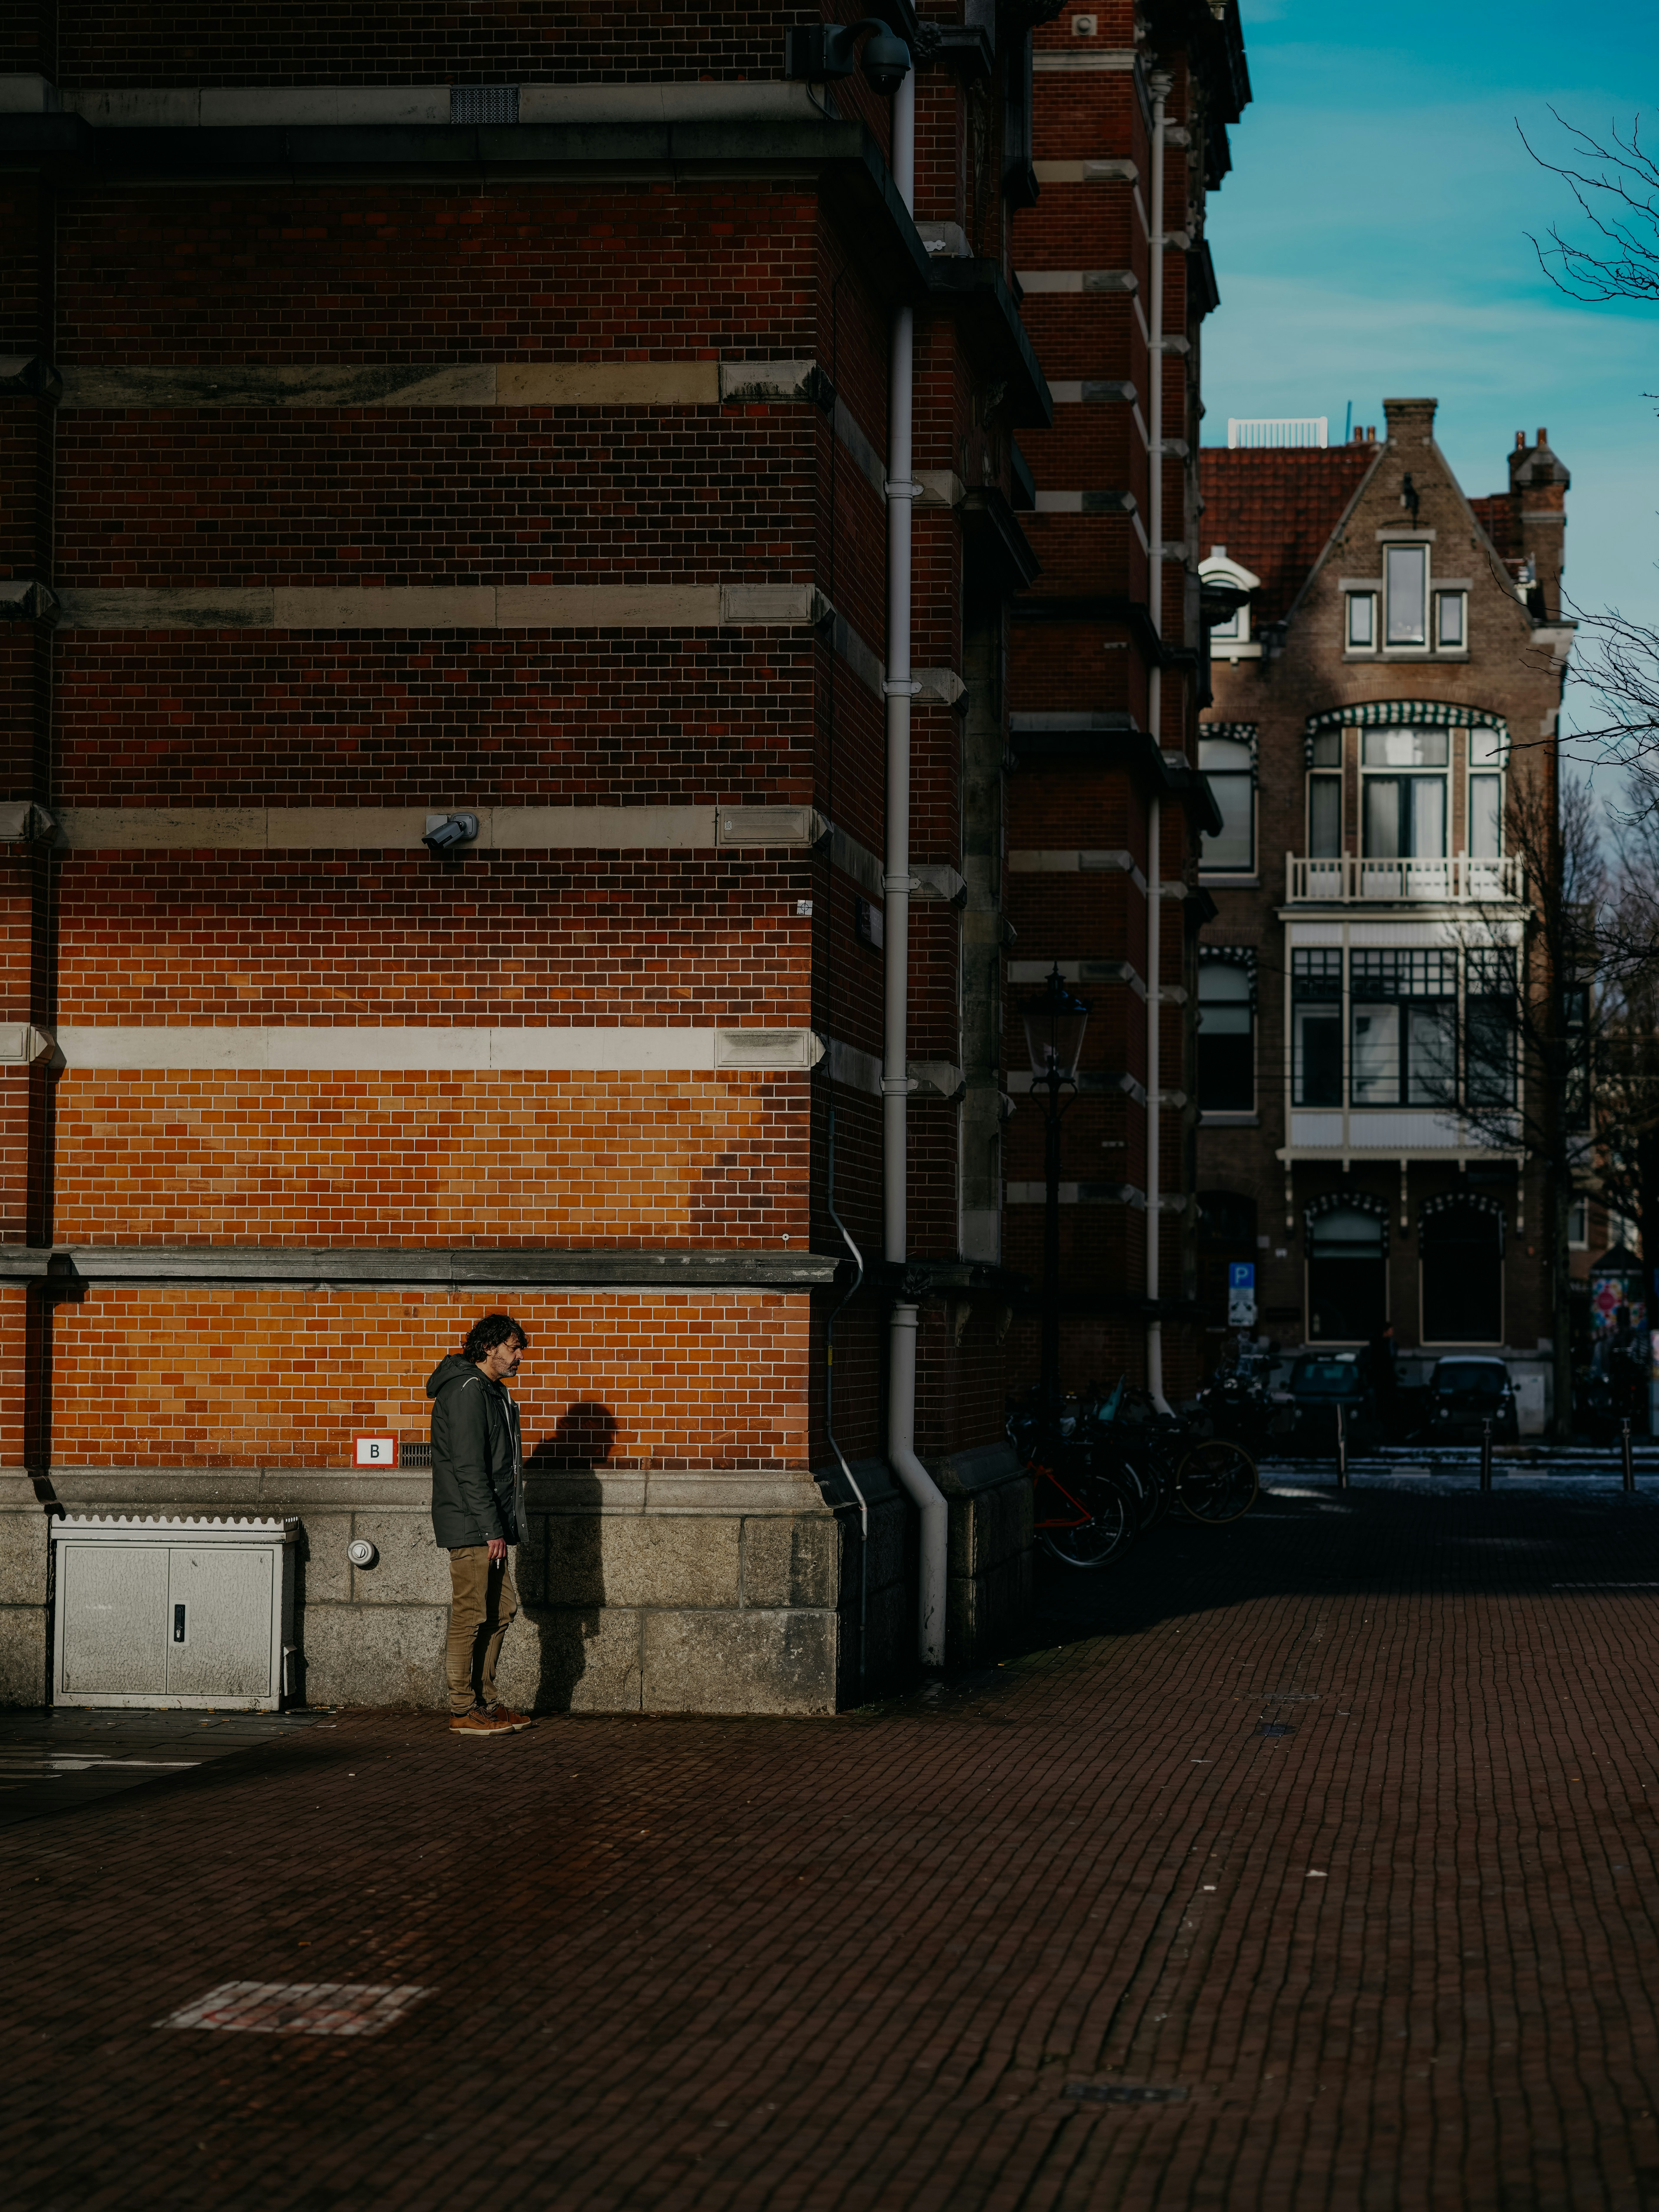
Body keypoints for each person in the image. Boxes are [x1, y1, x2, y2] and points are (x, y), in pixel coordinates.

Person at [428, 1313, 536, 1737]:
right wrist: (492, 1528)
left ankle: (486, 1701)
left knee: (502, 1608)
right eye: (513, 1347)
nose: (519, 1356)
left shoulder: (493, 1392)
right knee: (471, 1614)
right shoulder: (467, 1390)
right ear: (489, 1347)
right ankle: (462, 1707)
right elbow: (470, 1468)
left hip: (488, 1523)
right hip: (473, 1523)